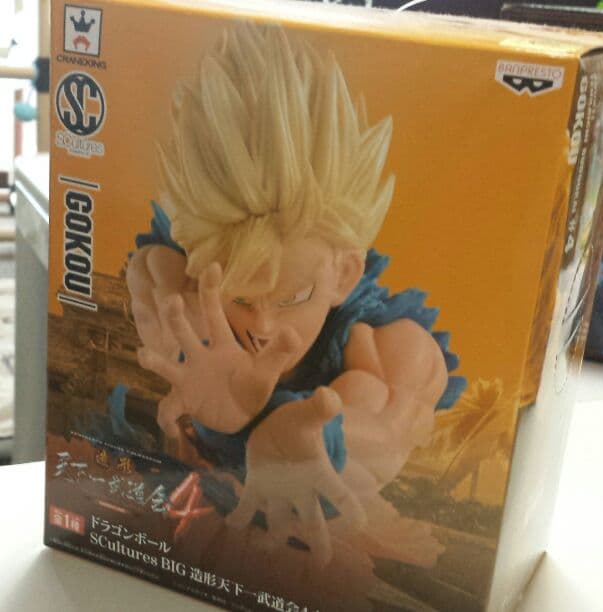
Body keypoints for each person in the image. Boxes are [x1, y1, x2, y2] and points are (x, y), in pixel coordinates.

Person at [126, 22, 464, 568]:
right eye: (240, 297)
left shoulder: (392, 348)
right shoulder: (174, 284)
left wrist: (301, 436)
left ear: (345, 273)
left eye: (292, 297)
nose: (262, 327)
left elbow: (386, 429)